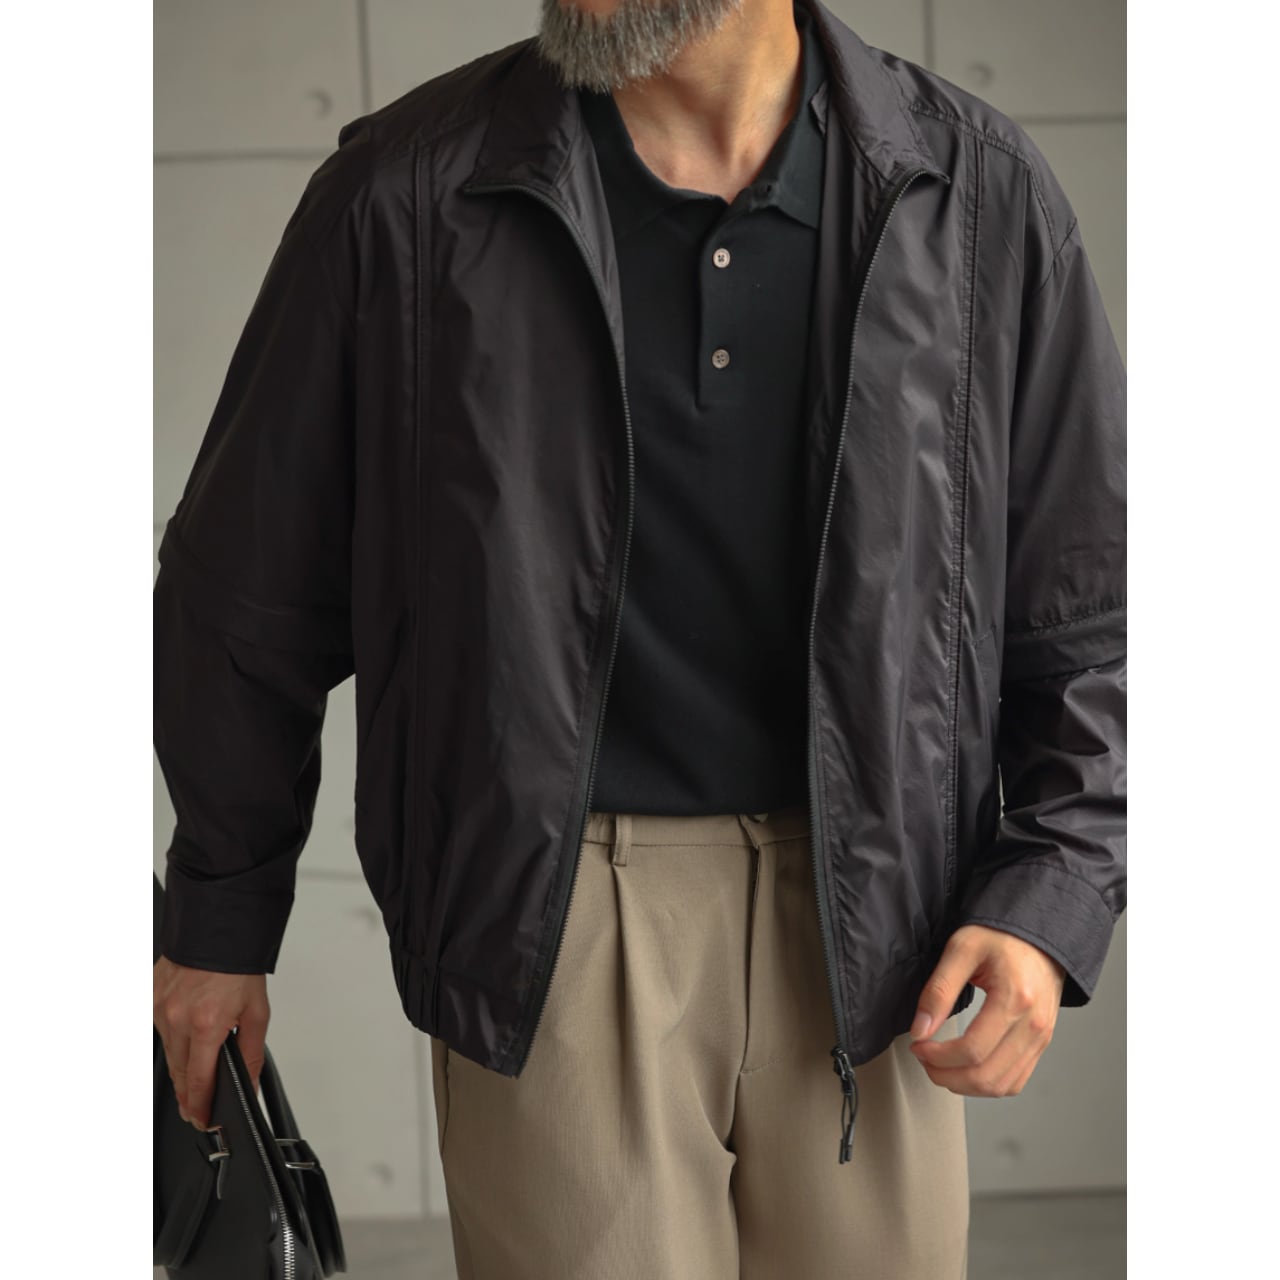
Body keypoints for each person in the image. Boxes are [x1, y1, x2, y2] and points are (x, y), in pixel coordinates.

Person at [152, 0, 1127, 1276]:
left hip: (881, 923)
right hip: (552, 922)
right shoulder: (403, 194)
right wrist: (219, 918)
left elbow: (1085, 600)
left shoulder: (976, 193)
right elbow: (246, 585)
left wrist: (1050, 889)